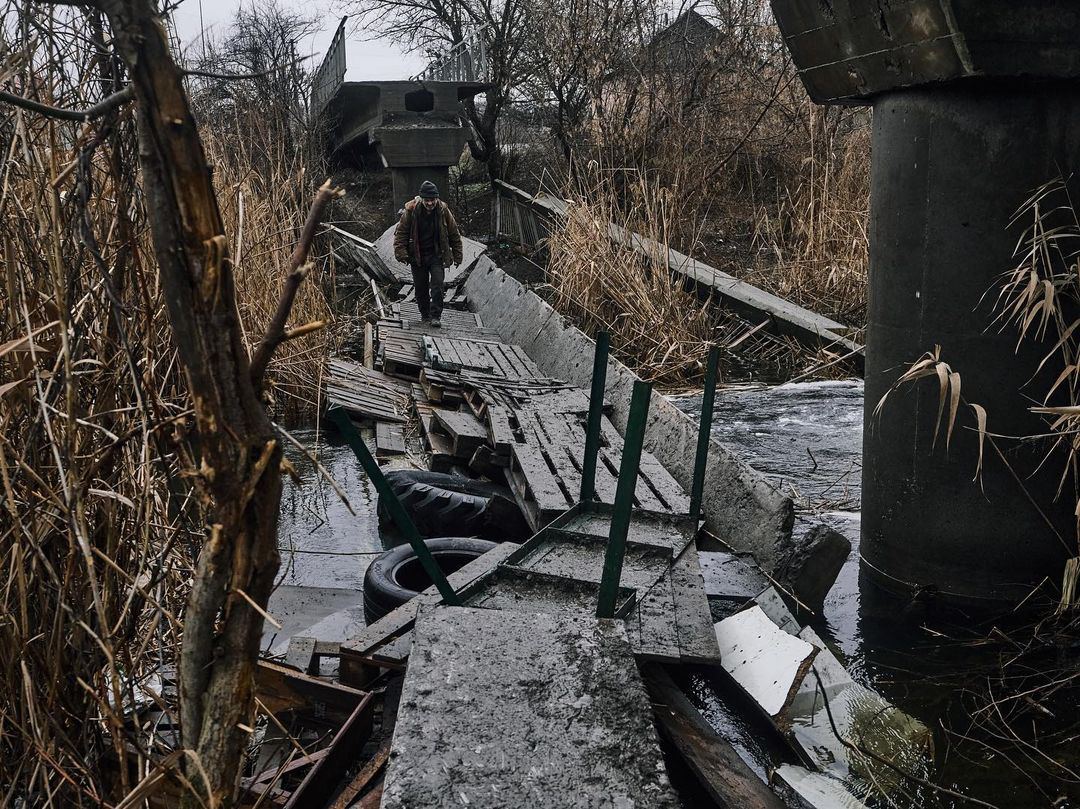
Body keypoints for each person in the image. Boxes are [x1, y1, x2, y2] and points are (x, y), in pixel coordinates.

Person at [393, 181, 463, 327]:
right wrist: (401, 253)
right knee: (420, 287)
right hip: (417, 255)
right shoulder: (411, 211)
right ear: (421, 199)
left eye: (432, 200)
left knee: (437, 285)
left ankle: (436, 316)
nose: (430, 203)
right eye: (427, 200)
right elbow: (401, 233)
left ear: (437, 198)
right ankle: (425, 314)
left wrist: (458, 255)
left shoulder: (443, 211)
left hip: (437, 255)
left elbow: (454, 233)